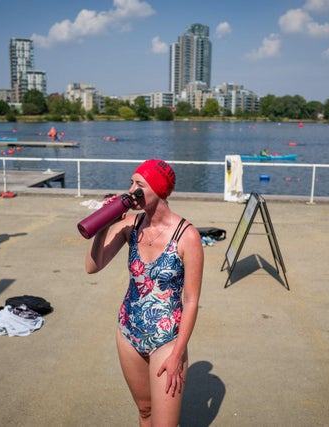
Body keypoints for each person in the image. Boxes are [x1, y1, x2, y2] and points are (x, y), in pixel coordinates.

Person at [85, 159, 204, 426]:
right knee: (145, 412)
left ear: (159, 190)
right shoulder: (130, 224)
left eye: (139, 184)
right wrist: (103, 225)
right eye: (130, 183)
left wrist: (177, 355)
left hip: (167, 340)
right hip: (128, 332)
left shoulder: (188, 236)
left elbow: (192, 301)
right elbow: (93, 266)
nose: (131, 190)